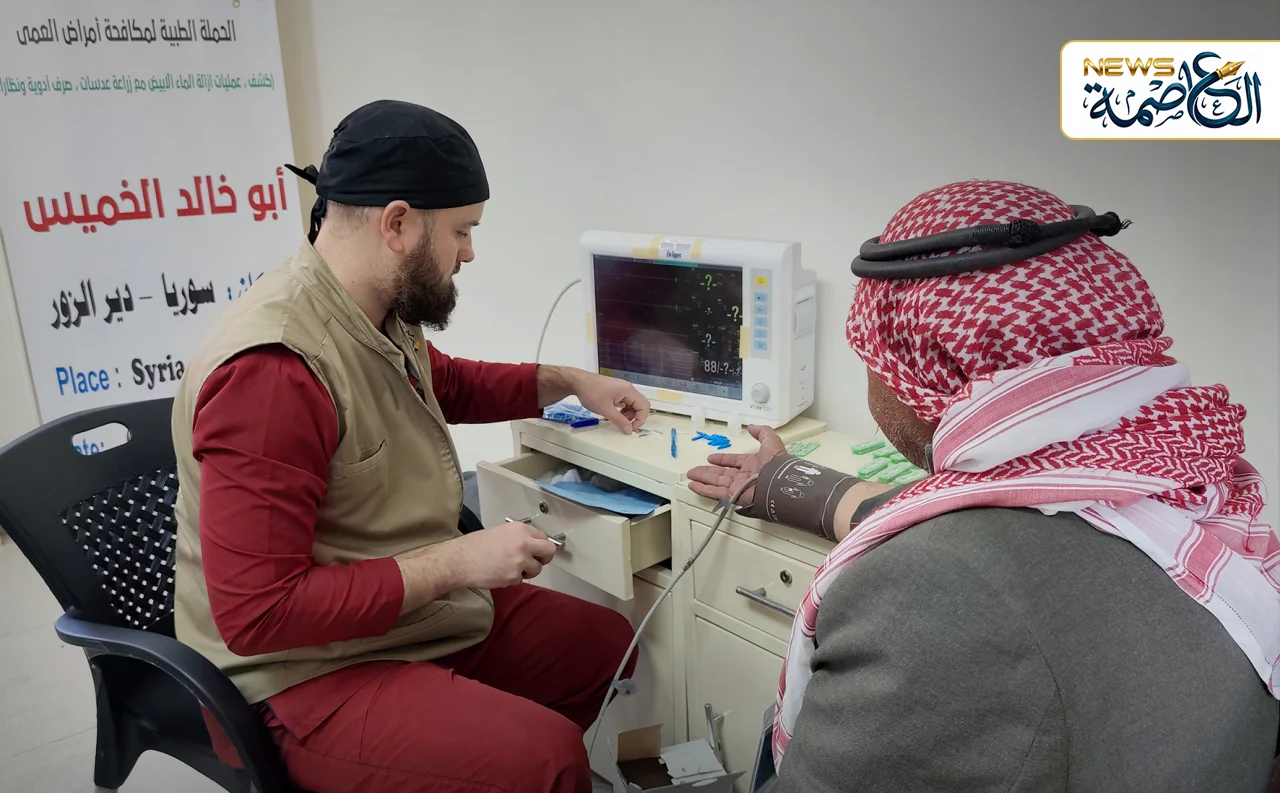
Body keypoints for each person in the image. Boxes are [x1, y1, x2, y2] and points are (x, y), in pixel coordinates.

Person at [689, 180, 1280, 792]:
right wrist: (792, 482)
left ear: (918, 371)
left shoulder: (929, 593)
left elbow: (970, 554)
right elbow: (995, 519)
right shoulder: (1190, 475)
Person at [170, 99, 653, 793]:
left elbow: (442, 382)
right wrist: (459, 561)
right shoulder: (273, 374)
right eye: (462, 230)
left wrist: (570, 382)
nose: (469, 252)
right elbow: (259, 615)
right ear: (396, 224)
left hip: (395, 618)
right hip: (301, 672)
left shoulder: (372, 309)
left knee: (604, 645)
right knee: (547, 760)